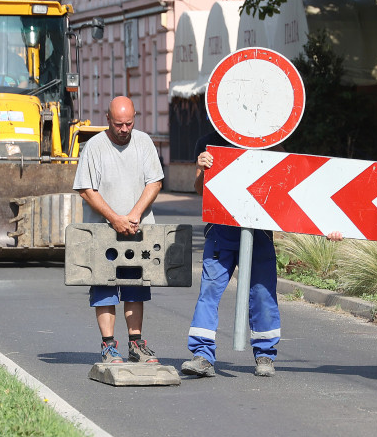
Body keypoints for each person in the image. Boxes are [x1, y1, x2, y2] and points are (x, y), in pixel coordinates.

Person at [180, 130, 281, 378]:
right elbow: (200, 190)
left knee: (262, 293)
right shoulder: (206, 141)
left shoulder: (269, 140)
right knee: (209, 292)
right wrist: (202, 170)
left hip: (259, 231)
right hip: (221, 231)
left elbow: (281, 185)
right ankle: (202, 356)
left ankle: (265, 355)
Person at [72, 96, 165, 364]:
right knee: (104, 286)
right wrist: (114, 218)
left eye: (129, 123)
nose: (124, 129)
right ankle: (108, 345)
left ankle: (136, 344)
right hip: (102, 233)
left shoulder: (144, 142)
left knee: (135, 286)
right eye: (118, 124)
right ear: (107, 119)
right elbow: (87, 190)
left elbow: (155, 182)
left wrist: (134, 215)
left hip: (137, 231)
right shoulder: (94, 147)